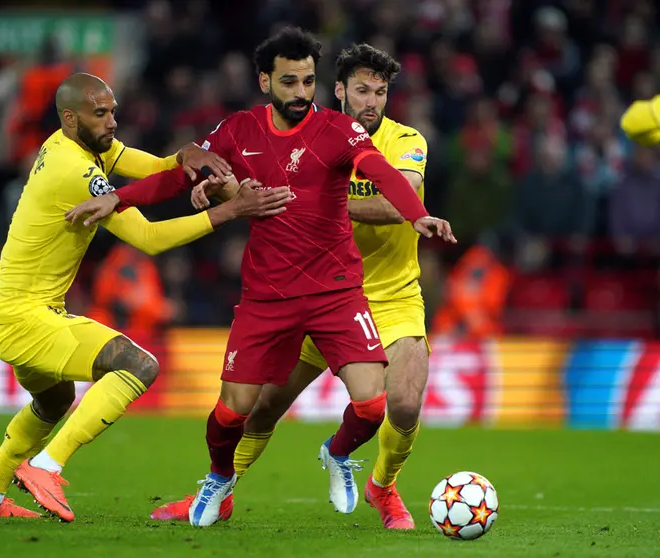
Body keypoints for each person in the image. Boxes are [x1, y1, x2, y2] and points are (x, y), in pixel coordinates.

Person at [66, 29, 455, 528]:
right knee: (254, 411)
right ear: (338, 90)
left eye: (380, 92)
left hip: (378, 294)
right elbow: (187, 169)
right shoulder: (263, 128)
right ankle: (219, 491)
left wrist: (329, 204)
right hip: (291, 291)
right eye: (362, 90)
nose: (372, 101)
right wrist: (124, 196)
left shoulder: (399, 139)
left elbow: (389, 192)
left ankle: (383, 487)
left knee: (398, 403)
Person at [0, 73, 291, 521]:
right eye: (102, 114)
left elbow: (151, 169)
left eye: (113, 110)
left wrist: (184, 155)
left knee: (54, 402)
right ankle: (45, 467)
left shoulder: (72, 144)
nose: (113, 121)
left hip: (14, 308)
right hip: (23, 316)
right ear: (71, 117)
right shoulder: (74, 171)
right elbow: (150, 238)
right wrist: (232, 209)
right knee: (138, 365)